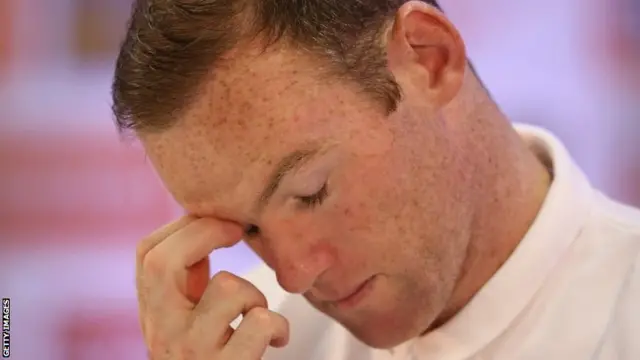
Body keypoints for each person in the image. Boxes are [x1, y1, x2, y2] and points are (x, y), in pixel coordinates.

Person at [111, 0, 640, 359]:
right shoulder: (257, 342)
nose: (295, 274)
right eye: (247, 230)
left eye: (311, 191)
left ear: (428, 59)